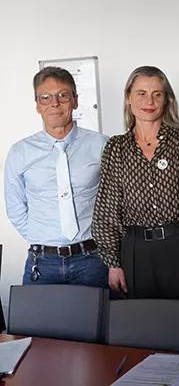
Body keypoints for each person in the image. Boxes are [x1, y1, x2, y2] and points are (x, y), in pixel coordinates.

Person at [92, 66, 179, 302]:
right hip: (136, 252)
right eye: (141, 93)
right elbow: (106, 210)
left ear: (166, 99)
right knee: (141, 321)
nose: (149, 101)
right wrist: (113, 264)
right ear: (128, 98)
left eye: (157, 94)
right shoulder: (116, 148)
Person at [5, 67, 108, 288]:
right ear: (37, 105)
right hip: (42, 263)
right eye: (45, 97)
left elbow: (115, 201)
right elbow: (15, 208)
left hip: (93, 260)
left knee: (98, 312)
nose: (55, 103)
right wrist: (43, 238)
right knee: (35, 313)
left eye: (63, 95)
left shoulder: (102, 145)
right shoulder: (20, 152)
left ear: (75, 100)